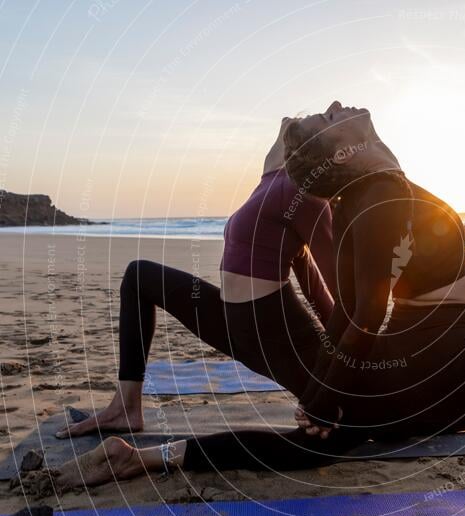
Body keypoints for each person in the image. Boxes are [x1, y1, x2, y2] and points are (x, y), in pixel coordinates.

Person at [45, 102, 465, 501]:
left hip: (431, 368)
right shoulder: (369, 209)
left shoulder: (371, 196)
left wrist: (330, 393)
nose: (338, 106)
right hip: (434, 370)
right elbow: (361, 314)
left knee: (334, 436)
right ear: (337, 155)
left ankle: (148, 456)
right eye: (325, 119)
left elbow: (350, 315)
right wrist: (325, 396)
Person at [56, 118, 336, 439]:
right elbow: (286, 128)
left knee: (354, 418)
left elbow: (324, 292)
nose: (322, 115)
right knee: (139, 276)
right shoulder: (273, 179)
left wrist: (345, 365)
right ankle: (126, 408)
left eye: (326, 120)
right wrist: (296, 125)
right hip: (235, 323)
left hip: (279, 338)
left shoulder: (309, 198)